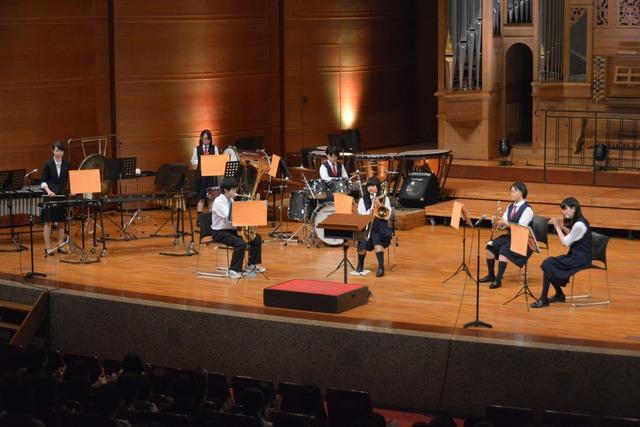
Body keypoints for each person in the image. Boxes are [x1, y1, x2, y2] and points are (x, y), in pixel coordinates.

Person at [531, 197, 592, 308]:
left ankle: (545, 299)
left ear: (573, 209)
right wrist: (562, 226)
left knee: (548, 263)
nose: (563, 212)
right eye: (562, 209)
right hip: (577, 255)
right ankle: (558, 295)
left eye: (565, 209)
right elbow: (573, 234)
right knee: (549, 264)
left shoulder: (579, 224)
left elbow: (566, 243)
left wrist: (557, 227)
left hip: (580, 258)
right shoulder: (579, 220)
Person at [479, 182, 534, 289]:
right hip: (510, 237)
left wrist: (505, 223)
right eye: (511, 191)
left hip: (522, 240)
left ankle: (498, 280)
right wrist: (498, 223)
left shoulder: (527, 210)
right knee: (490, 246)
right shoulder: (510, 207)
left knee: (503, 251)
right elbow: (504, 223)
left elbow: (520, 228)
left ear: (521, 192)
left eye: (514, 191)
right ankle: (491, 275)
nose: (511, 194)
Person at [211, 178, 265, 279]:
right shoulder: (219, 202)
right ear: (226, 190)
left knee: (256, 238)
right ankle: (233, 270)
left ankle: (252, 265)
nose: (236, 192)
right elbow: (230, 217)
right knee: (240, 244)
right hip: (220, 232)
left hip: (231, 231)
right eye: (234, 190)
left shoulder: (230, 200)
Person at [356, 177, 393, 277]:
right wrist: (371, 210)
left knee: (377, 243)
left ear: (377, 187)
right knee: (362, 245)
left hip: (380, 226)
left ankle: (381, 268)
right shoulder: (362, 200)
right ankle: (360, 265)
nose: (370, 188)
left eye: (373, 186)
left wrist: (379, 204)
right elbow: (361, 214)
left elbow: (387, 216)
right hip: (367, 226)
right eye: (368, 186)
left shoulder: (385, 199)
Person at [40, 140, 70, 256]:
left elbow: (68, 179)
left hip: (62, 195)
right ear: (53, 151)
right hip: (50, 196)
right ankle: (47, 248)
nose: (59, 153)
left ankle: (60, 245)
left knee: (62, 221)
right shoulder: (47, 164)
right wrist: (48, 191)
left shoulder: (67, 164)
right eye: (57, 151)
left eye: (61, 151)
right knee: (48, 222)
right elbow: (43, 181)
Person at [190, 129, 220, 220]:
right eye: (204, 139)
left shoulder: (214, 148)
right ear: (201, 139)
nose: (206, 141)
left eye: (208, 139)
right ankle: (200, 220)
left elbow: (218, 160)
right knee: (201, 198)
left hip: (211, 176)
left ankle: (211, 219)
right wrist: (201, 162)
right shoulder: (197, 149)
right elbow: (193, 161)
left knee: (211, 198)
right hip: (201, 177)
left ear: (210, 140)